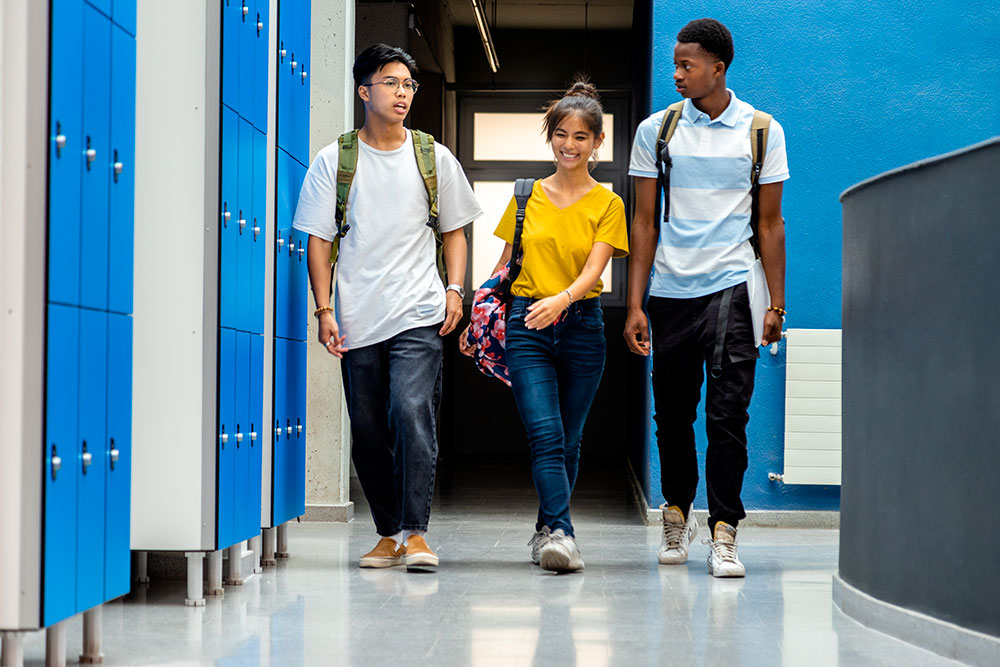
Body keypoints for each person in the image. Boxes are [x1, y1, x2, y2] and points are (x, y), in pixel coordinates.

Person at [293, 44, 482, 571]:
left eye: (408, 85)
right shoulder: (335, 160)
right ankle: (387, 533)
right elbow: (319, 241)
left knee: (410, 412)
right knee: (370, 428)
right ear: (364, 91)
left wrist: (455, 290)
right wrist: (324, 310)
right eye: (392, 83)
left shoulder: (433, 156)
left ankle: (416, 533)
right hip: (356, 317)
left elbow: (455, 231)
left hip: (417, 311)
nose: (402, 94)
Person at [624, 18, 789, 577]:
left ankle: (724, 530)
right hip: (670, 293)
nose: (677, 74)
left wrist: (776, 305)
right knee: (671, 416)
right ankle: (676, 512)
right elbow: (643, 222)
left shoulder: (762, 130)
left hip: (735, 291)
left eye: (687, 65)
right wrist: (635, 303)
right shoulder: (658, 130)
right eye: (675, 63)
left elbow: (770, 225)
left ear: (718, 68)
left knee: (727, 418)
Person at [461, 80, 628, 573]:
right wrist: (479, 318)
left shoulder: (608, 204)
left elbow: (594, 272)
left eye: (580, 136)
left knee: (569, 440)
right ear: (550, 137)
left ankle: (545, 529)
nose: (569, 145)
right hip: (525, 324)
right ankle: (563, 534)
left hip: (582, 326)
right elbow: (504, 264)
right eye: (560, 134)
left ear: (598, 143)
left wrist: (561, 300)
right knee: (545, 434)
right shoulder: (524, 195)